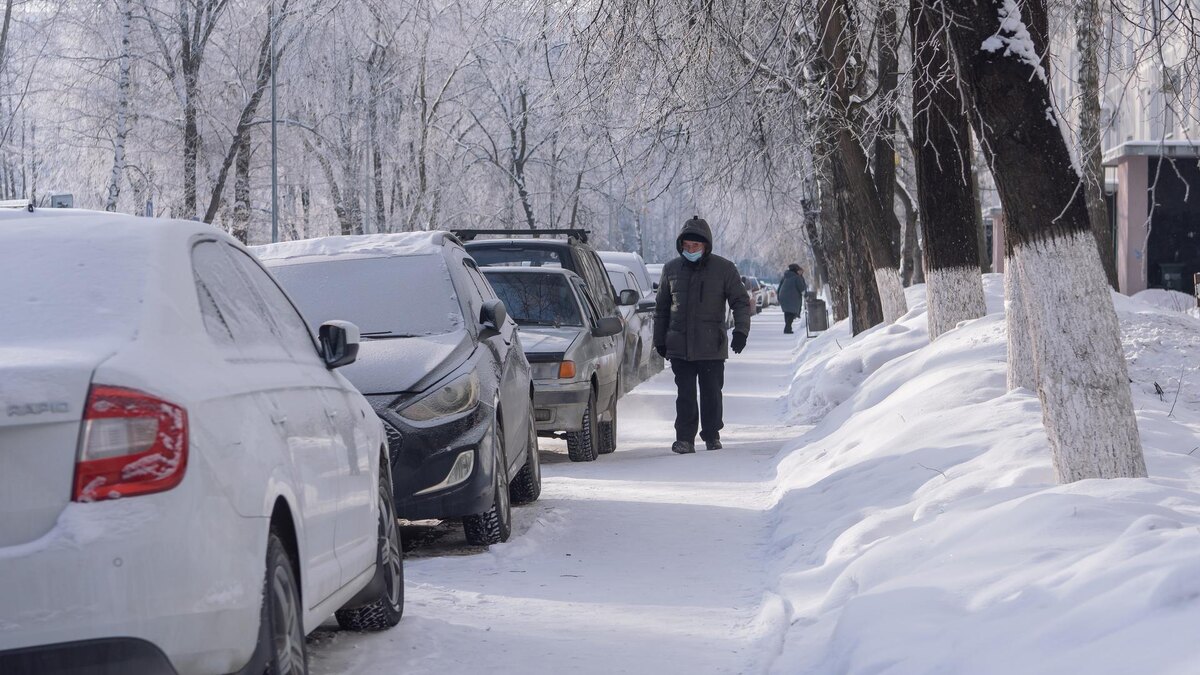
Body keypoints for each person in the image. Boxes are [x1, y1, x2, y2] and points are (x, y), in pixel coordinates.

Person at [654, 216, 753, 454]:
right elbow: (661, 308)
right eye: (687, 246)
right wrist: (660, 339)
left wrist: (741, 331)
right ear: (681, 246)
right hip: (679, 344)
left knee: (711, 393)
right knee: (685, 394)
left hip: (711, 344)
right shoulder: (671, 269)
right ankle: (684, 439)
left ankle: (711, 434)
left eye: (695, 246)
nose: (691, 250)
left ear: (706, 245)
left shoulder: (724, 269)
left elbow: (740, 301)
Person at [777, 263, 808, 334]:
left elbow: (779, 287)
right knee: (791, 313)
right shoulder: (797, 277)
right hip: (792, 298)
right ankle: (787, 328)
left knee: (787, 312)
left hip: (783, 296)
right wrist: (806, 295)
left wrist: (778, 296)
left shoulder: (785, 276)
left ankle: (788, 327)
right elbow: (802, 288)